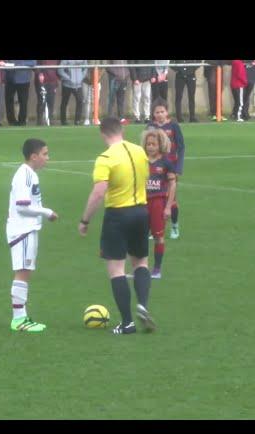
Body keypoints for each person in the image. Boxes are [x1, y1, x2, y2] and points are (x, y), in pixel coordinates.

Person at [78, 118, 154, 335]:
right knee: (141, 262)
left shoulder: (105, 158)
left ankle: (127, 323)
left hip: (118, 215)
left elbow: (99, 192)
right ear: (122, 130)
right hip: (141, 211)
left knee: (116, 269)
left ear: (103, 134)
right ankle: (143, 305)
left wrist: (85, 220)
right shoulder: (140, 152)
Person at [6, 138, 58, 333]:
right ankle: (18, 319)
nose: (47, 158)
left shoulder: (30, 174)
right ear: (33, 156)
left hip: (26, 229)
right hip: (23, 229)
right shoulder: (25, 175)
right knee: (23, 272)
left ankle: (21, 316)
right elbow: (23, 205)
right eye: (44, 154)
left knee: (25, 271)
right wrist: (47, 212)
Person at [147, 98, 185, 239]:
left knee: (171, 199)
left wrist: (179, 167)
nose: (160, 114)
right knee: (153, 197)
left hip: (170, 168)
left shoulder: (173, 126)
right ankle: (153, 228)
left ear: (167, 112)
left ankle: (174, 226)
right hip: (154, 168)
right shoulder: (150, 127)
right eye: (157, 112)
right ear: (153, 113)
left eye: (162, 111)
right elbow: (145, 146)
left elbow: (181, 147)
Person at [142, 128, 176, 279]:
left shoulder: (166, 162)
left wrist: (168, 206)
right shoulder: (141, 160)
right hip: (142, 203)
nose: (150, 147)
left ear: (160, 145)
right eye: (148, 144)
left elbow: (172, 184)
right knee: (138, 236)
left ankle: (156, 269)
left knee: (158, 237)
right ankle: (140, 268)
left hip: (158, 203)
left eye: (153, 144)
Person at [5, 60, 36, 126]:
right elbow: (6, 63)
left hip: (23, 80)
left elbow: (33, 62)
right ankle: (11, 121)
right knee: (8, 100)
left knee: (23, 101)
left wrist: (19, 64)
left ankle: (22, 121)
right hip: (10, 79)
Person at [58, 59, 86, 126]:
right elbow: (60, 70)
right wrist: (69, 78)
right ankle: (63, 121)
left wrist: (81, 77)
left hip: (78, 85)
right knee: (64, 102)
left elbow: (85, 68)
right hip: (67, 84)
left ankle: (77, 121)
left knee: (80, 101)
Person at [35, 60, 59, 126]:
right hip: (42, 82)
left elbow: (58, 69)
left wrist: (56, 83)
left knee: (51, 102)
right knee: (41, 102)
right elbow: (35, 66)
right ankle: (39, 121)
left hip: (52, 82)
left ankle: (50, 120)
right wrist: (39, 74)